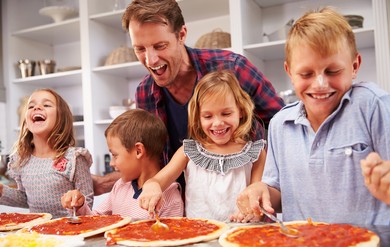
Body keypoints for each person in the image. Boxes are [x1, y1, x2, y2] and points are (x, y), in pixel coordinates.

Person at [92, 0, 284, 195]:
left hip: (247, 207)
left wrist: (264, 184)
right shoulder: (145, 92)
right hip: (185, 210)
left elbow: (285, 128)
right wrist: (103, 184)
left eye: (160, 46)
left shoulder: (233, 68)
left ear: (182, 34)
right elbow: (149, 163)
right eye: (140, 49)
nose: (151, 60)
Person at [233, 7, 390, 225]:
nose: (320, 84)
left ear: (354, 66)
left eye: (332, 71)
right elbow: (279, 196)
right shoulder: (280, 124)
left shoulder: (374, 106)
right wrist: (262, 191)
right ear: (289, 72)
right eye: (306, 74)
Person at [139, 70, 266, 221]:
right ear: (198, 117)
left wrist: (253, 212)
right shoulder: (187, 152)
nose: (218, 123)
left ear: (240, 111)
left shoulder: (256, 153)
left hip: (241, 234)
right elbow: (157, 181)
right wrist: (152, 186)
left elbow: (257, 197)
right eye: (208, 116)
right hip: (199, 236)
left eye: (226, 114)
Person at [61, 109, 183, 219]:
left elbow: (167, 240)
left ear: (138, 151)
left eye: (115, 155)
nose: (112, 163)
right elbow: (95, 220)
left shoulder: (170, 197)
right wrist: (80, 205)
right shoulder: (120, 186)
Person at [0, 88, 94, 218]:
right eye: (31, 106)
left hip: (68, 232)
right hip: (36, 233)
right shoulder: (21, 159)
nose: (37, 107)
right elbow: (25, 198)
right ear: (26, 122)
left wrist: (78, 201)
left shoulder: (74, 158)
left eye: (46, 105)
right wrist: (1, 192)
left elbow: (87, 206)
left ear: (61, 119)